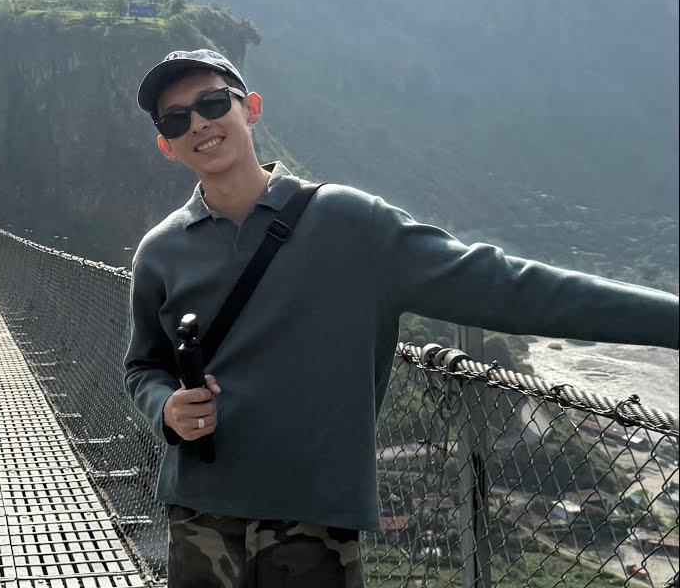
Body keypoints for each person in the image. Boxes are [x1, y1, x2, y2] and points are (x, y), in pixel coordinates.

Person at [123, 48, 680, 588]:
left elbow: (506, 287)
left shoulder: (347, 221)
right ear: (166, 145)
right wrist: (166, 406)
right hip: (197, 510)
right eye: (177, 119)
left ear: (252, 108)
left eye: (214, 103)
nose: (199, 123)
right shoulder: (160, 251)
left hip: (312, 519)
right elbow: (144, 366)